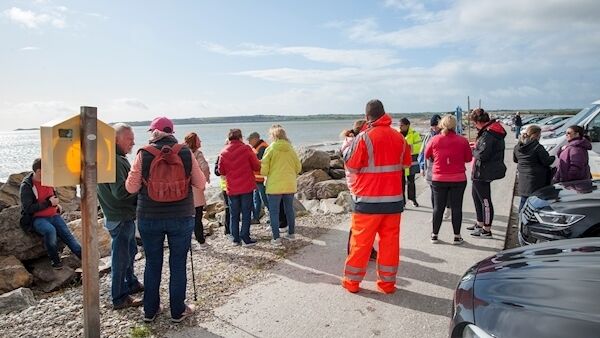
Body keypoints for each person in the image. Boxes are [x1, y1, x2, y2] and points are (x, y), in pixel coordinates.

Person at [125, 116, 206, 323]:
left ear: (154, 132)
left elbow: (131, 187)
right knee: (178, 263)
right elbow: (201, 183)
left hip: (149, 216)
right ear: (171, 131)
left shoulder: (144, 153)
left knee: (153, 263)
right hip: (181, 216)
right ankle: (178, 311)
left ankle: (150, 310)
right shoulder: (185, 152)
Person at [342, 99, 412, 294]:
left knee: (361, 243)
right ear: (384, 114)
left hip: (367, 201)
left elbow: (353, 166)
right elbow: (406, 163)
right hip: (393, 201)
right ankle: (387, 284)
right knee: (390, 243)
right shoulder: (399, 138)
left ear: (367, 117)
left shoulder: (364, 138)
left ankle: (352, 282)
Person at [97, 123, 144, 310]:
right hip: (120, 215)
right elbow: (120, 192)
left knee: (130, 251)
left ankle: (131, 282)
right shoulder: (115, 160)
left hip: (117, 214)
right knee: (121, 258)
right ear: (115, 139)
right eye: (129, 139)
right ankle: (119, 297)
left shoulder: (111, 158)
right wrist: (141, 189)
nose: (133, 143)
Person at [20, 158, 82, 269]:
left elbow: (52, 194)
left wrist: (56, 204)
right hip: (37, 218)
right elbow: (28, 208)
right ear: (39, 171)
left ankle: (83, 256)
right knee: (50, 230)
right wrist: (49, 203)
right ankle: (55, 260)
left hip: (54, 215)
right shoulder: (27, 186)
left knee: (66, 234)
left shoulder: (48, 180)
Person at [424, 115, 472, 244]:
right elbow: (468, 158)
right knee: (457, 208)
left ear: (441, 125)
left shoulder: (435, 140)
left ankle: (434, 235)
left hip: (439, 177)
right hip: (458, 178)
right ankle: (457, 236)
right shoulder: (462, 140)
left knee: (438, 208)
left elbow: (427, 154)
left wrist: (437, 159)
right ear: (454, 126)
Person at [218, 129, 261, 246]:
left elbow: (220, 170)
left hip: (232, 187)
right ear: (240, 137)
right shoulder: (246, 149)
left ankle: (235, 238)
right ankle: (245, 238)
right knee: (246, 212)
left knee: (234, 213)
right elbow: (256, 166)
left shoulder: (223, 151)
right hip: (246, 186)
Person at [341, 120, 377, 260]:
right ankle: (354, 251)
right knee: (360, 221)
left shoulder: (353, 142)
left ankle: (366, 250)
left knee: (363, 221)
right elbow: (357, 165)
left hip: (358, 185)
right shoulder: (354, 143)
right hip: (358, 186)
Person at [260, 125, 302, 247]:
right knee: (289, 209)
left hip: (274, 185)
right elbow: (298, 167)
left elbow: (264, 170)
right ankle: (291, 234)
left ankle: (276, 238)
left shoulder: (270, 149)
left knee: (274, 211)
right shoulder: (291, 149)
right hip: (289, 184)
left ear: (273, 136)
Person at [468, 108, 507, 239]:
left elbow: (483, 154)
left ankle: (487, 229)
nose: (474, 126)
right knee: (476, 197)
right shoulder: (488, 131)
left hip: (484, 172)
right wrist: (476, 146)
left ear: (479, 121)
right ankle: (479, 224)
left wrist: (473, 150)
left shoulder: (489, 134)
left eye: (474, 123)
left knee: (485, 201)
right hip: (480, 171)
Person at [513, 125, 555, 211]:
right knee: (537, 203)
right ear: (536, 135)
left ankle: (521, 220)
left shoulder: (517, 147)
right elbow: (547, 161)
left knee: (523, 201)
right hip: (537, 180)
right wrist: (554, 157)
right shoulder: (537, 147)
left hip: (523, 179)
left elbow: (515, 160)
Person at [418, 114, 450, 218]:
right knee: (433, 192)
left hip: (445, 169)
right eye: (432, 126)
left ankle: (447, 207)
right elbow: (422, 152)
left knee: (446, 191)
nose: (434, 128)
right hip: (431, 169)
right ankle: (435, 213)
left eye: (436, 125)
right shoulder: (428, 136)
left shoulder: (447, 135)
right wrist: (422, 167)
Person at [183, 132, 210, 248]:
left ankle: (187, 241)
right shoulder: (197, 154)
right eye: (199, 140)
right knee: (197, 216)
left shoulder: (181, 153)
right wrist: (205, 180)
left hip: (183, 189)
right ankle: (201, 241)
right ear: (194, 142)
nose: (200, 142)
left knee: (185, 217)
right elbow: (204, 167)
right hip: (195, 188)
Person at [399, 118, 422, 207]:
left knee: (411, 182)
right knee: (401, 183)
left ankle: (412, 199)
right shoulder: (397, 134)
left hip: (410, 162)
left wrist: (407, 148)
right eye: (400, 125)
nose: (400, 127)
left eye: (402, 125)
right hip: (400, 163)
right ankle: (402, 202)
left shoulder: (414, 134)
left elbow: (419, 146)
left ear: (407, 125)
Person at [247, 132, 270, 224]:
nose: (248, 142)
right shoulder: (257, 147)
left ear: (255, 139)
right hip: (256, 179)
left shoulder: (262, 147)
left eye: (249, 140)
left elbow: (261, 163)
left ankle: (271, 217)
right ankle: (255, 218)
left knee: (265, 199)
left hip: (261, 179)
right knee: (256, 199)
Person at [214, 154, 231, 236]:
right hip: (225, 186)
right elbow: (216, 172)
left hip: (232, 186)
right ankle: (227, 230)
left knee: (232, 209)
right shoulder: (221, 155)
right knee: (228, 209)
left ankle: (231, 230)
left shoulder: (222, 155)